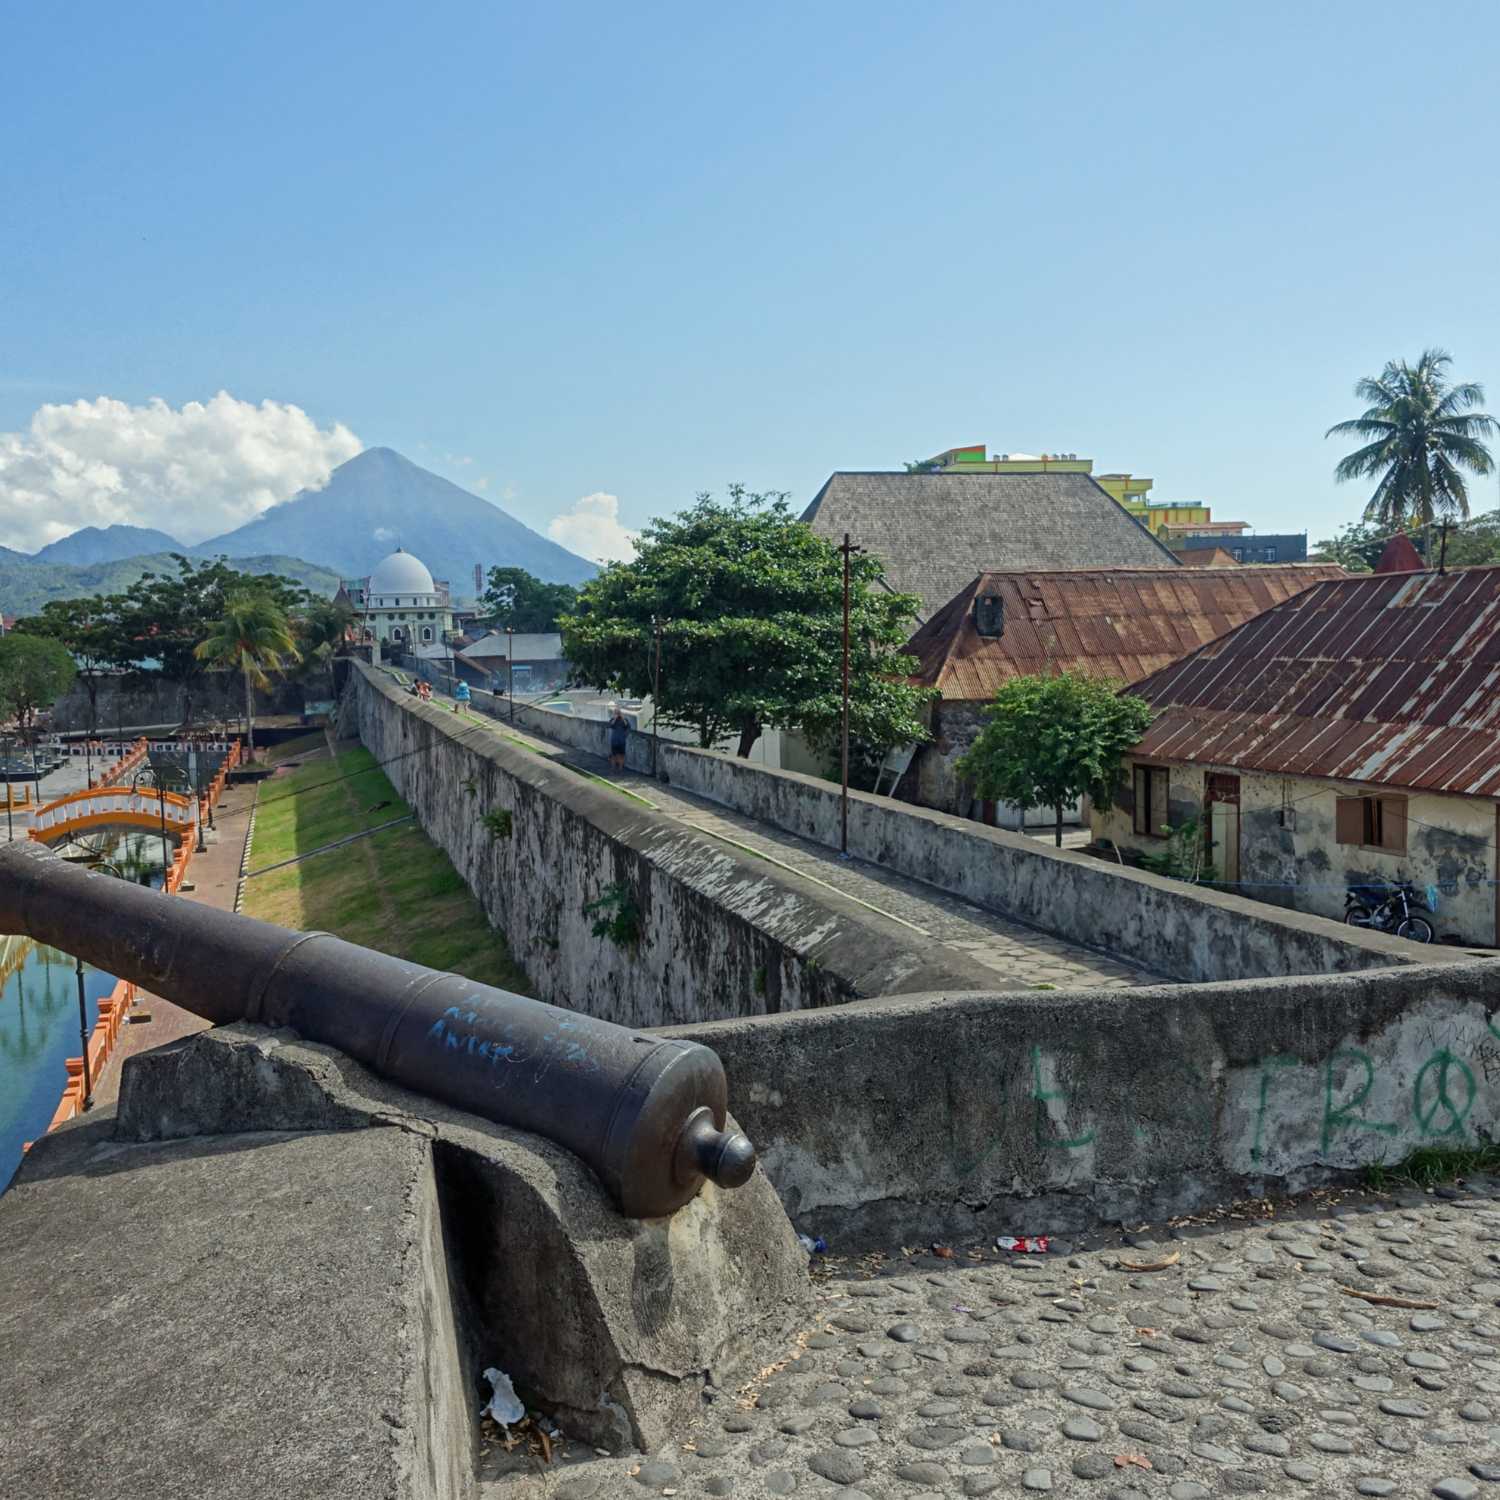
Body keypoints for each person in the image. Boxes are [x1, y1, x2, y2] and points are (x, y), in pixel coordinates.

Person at [608, 703, 629, 769]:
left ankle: (621, 768)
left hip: (622, 740)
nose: (617, 713)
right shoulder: (612, 720)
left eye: (618, 712)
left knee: (622, 755)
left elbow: (626, 725)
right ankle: (613, 767)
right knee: (614, 755)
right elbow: (611, 725)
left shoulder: (624, 720)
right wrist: (615, 718)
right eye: (616, 712)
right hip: (614, 740)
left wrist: (622, 717)